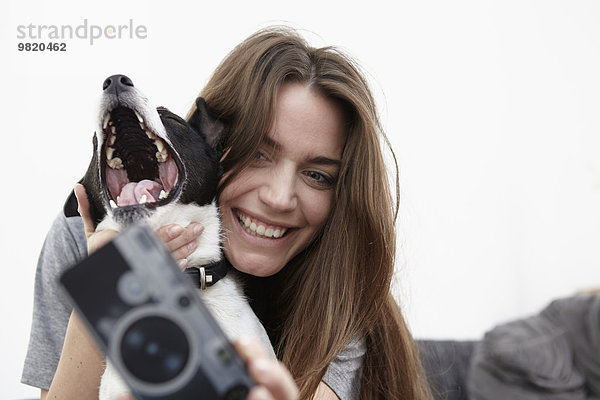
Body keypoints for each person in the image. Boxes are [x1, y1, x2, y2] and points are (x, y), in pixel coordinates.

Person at [22, 27, 433, 400]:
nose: (279, 197)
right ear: (212, 145)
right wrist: (105, 284)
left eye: (317, 175)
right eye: (259, 154)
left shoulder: (336, 288)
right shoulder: (90, 230)